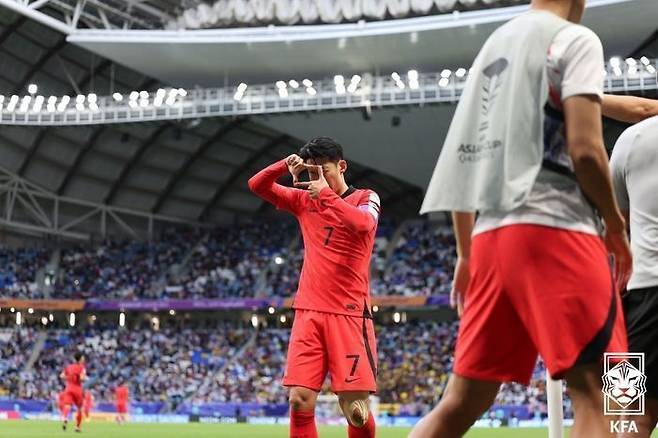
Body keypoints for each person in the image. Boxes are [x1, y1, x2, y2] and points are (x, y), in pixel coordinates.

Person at [414, 0, 633, 436]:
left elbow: (464, 159)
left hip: (491, 240)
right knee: (613, 394)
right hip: (557, 229)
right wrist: (614, 223)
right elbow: (586, 151)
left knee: (460, 403)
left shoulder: (494, 48)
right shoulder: (574, 39)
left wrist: (465, 254)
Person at [249, 136, 381, 438]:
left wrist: (326, 195)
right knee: (299, 401)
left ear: (342, 166)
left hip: (349, 315)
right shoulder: (304, 201)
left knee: (356, 411)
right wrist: (285, 165)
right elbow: (257, 185)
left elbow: (363, 225)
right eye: (311, 173)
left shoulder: (366, 197)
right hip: (308, 312)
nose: (317, 179)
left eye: (324, 171)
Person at [610, 115, 658, 438]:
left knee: (626, 416)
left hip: (643, 296)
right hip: (641, 291)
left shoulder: (632, 139)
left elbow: (617, 222)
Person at [60, 351, 87, 432]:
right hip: (77, 388)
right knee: (80, 409)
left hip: (68, 388)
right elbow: (82, 378)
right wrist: (85, 378)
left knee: (67, 405)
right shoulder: (81, 367)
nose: (84, 359)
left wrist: (69, 378)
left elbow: (61, 376)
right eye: (83, 357)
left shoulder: (69, 367)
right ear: (80, 359)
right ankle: (77, 427)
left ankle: (65, 418)